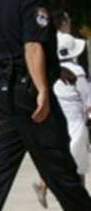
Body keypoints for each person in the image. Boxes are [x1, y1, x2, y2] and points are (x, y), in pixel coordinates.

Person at [0, 0, 91, 210]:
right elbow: (31, 46)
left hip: (6, 94)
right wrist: (42, 89)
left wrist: (55, 70)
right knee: (59, 165)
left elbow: (11, 46)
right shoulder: (34, 2)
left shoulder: (2, 0)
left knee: (0, 168)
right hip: (30, 98)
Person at [32, 14, 91, 208]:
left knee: (59, 164)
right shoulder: (77, 73)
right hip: (76, 128)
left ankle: (44, 183)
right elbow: (89, 102)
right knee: (79, 169)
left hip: (58, 126)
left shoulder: (50, 74)